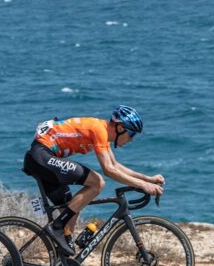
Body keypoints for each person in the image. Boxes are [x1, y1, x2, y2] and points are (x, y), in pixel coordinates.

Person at [23, 105, 164, 254]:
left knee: (73, 207)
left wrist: (148, 179)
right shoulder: (99, 129)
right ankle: (57, 227)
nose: (131, 140)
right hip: (41, 156)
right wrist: (143, 185)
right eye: (132, 134)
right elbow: (108, 170)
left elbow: (115, 165)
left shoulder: (103, 132)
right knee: (97, 182)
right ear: (121, 128)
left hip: (44, 159)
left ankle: (62, 262)